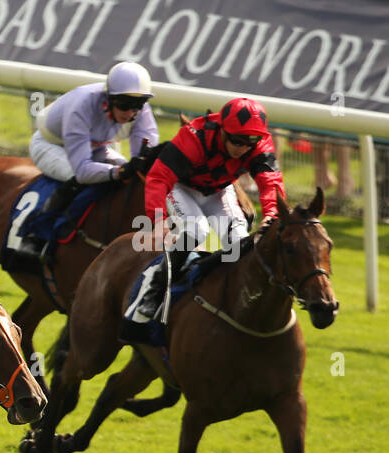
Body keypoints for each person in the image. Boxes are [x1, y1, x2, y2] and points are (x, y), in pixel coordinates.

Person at [126, 96, 285, 333]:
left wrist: (271, 213)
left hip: (219, 191)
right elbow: (159, 178)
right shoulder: (194, 137)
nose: (243, 148)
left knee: (239, 242)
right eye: (237, 141)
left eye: (250, 143)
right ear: (222, 130)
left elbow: (270, 181)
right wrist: (158, 218)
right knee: (196, 231)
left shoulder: (258, 144)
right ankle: (155, 288)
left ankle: (233, 301)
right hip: (181, 188)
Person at [21, 61, 158, 258]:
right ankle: (36, 235)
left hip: (96, 147)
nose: (130, 112)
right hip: (51, 145)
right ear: (109, 98)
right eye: (124, 104)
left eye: (137, 105)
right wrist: (117, 172)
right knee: (78, 178)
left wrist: (136, 165)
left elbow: (143, 158)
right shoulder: (83, 105)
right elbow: (83, 171)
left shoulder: (141, 112)